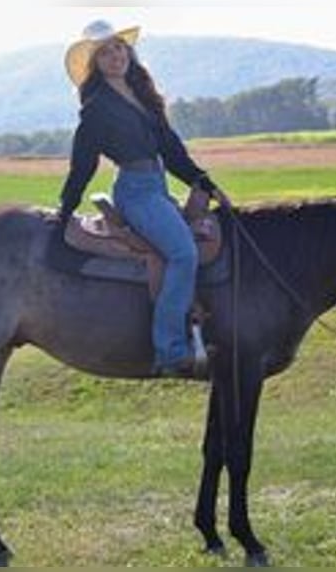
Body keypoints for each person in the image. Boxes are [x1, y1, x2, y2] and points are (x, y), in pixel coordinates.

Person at [58, 20, 227, 377]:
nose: (114, 56)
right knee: (183, 253)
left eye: (118, 47)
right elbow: (83, 165)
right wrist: (66, 207)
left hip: (158, 186)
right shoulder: (96, 108)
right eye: (104, 52)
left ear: (128, 51)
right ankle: (170, 351)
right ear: (95, 64)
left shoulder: (145, 97)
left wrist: (204, 182)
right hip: (135, 191)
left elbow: (173, 151)